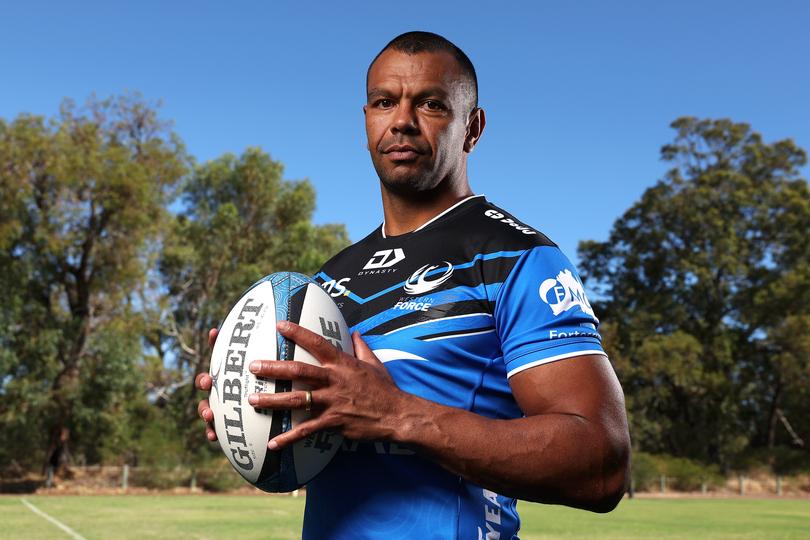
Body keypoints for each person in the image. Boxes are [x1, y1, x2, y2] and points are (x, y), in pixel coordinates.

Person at [196, 31, 630, 539]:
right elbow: (321, 448)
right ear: (367, 121)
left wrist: (396, 414)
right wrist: (256, 415)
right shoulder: (328, 283)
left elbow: (601, 464)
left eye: (430, 103)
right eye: (384, 102)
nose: (401, 120)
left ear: (472, 127)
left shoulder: (517, 258)